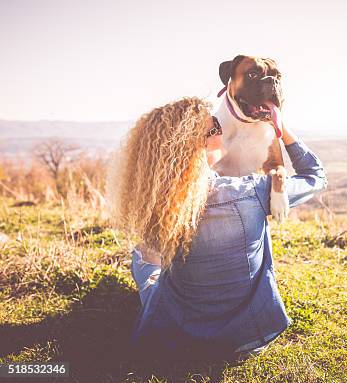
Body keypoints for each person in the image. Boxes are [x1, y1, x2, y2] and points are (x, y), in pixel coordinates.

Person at [107, 97, 327, 360]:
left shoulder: (157, 205)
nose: (221, 132)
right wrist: (282, 129)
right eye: (215, 127)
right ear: (202, 143)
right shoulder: (254, 191)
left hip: (177, 339)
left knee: (143, 256)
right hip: (247, 339)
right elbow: (315, 176)